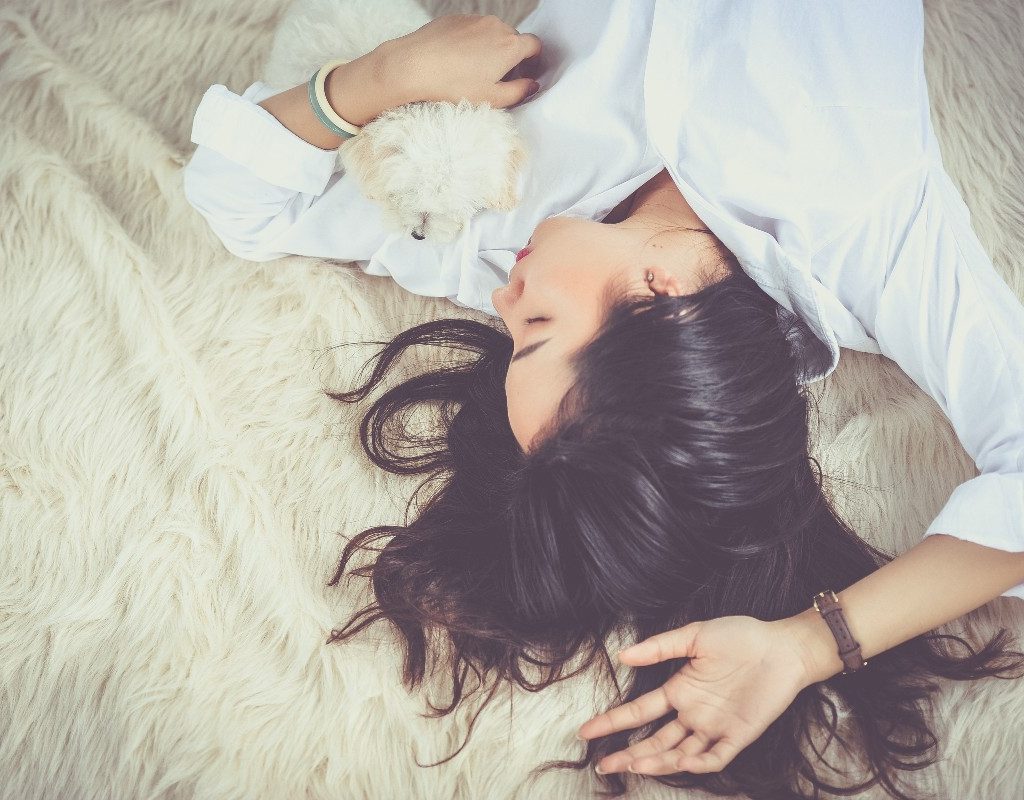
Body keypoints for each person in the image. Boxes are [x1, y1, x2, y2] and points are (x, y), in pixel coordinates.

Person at [182, 2, 1024, 797]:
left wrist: (380, 79)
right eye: (539, 326)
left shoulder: (490, 235)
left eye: (511, 342)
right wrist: (810, 645)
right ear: (661, 298)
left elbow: (242, 204)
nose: (505, 302)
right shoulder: (863, 227)